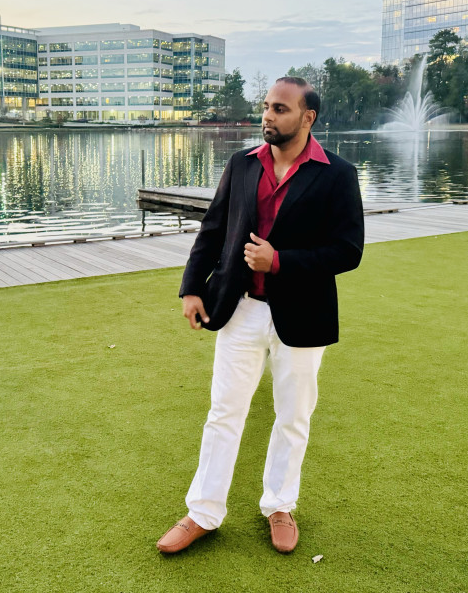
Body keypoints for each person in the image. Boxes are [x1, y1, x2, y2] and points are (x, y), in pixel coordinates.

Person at [156, 76, 364, 555]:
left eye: (280, 109)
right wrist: (192, 288)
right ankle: (203, 512)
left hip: (303, 314)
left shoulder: (337, 174)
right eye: (267, 106)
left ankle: (280, 505)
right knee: (223, 413)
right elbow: (213, 230)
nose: (268, 115)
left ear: (308, 117)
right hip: (240, 309)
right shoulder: (242, 163)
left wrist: (281, 262)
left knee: (293, 415)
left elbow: (348, 250)